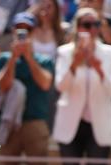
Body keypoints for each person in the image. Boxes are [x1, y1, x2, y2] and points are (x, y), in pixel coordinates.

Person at [53, 7, 111, 165]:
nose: (91, 29)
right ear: (77, 27)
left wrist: (98, 67)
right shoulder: (64, 52)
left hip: (99, 123)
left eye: (95, 25)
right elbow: (61, 86)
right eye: (86, 25)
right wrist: (75, 62)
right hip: (70, 123)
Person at [0, 12, 54, 165]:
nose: (24, 34)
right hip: (10, 123)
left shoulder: (44, 60)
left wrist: (28, 58)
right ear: (12, 32)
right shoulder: (4, 59)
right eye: (20, 29)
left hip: (34, 122)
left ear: (34, 32)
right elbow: (2, 86)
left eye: (28, 30)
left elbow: (45, 83)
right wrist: (13, 58)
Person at [29, 0, 66, 133]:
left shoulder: (62, 32)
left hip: (53, 81)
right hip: (32, 78)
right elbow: (20, 22)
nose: (46, 10)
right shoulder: (30, 30)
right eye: (42, 6)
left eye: (49, 6)